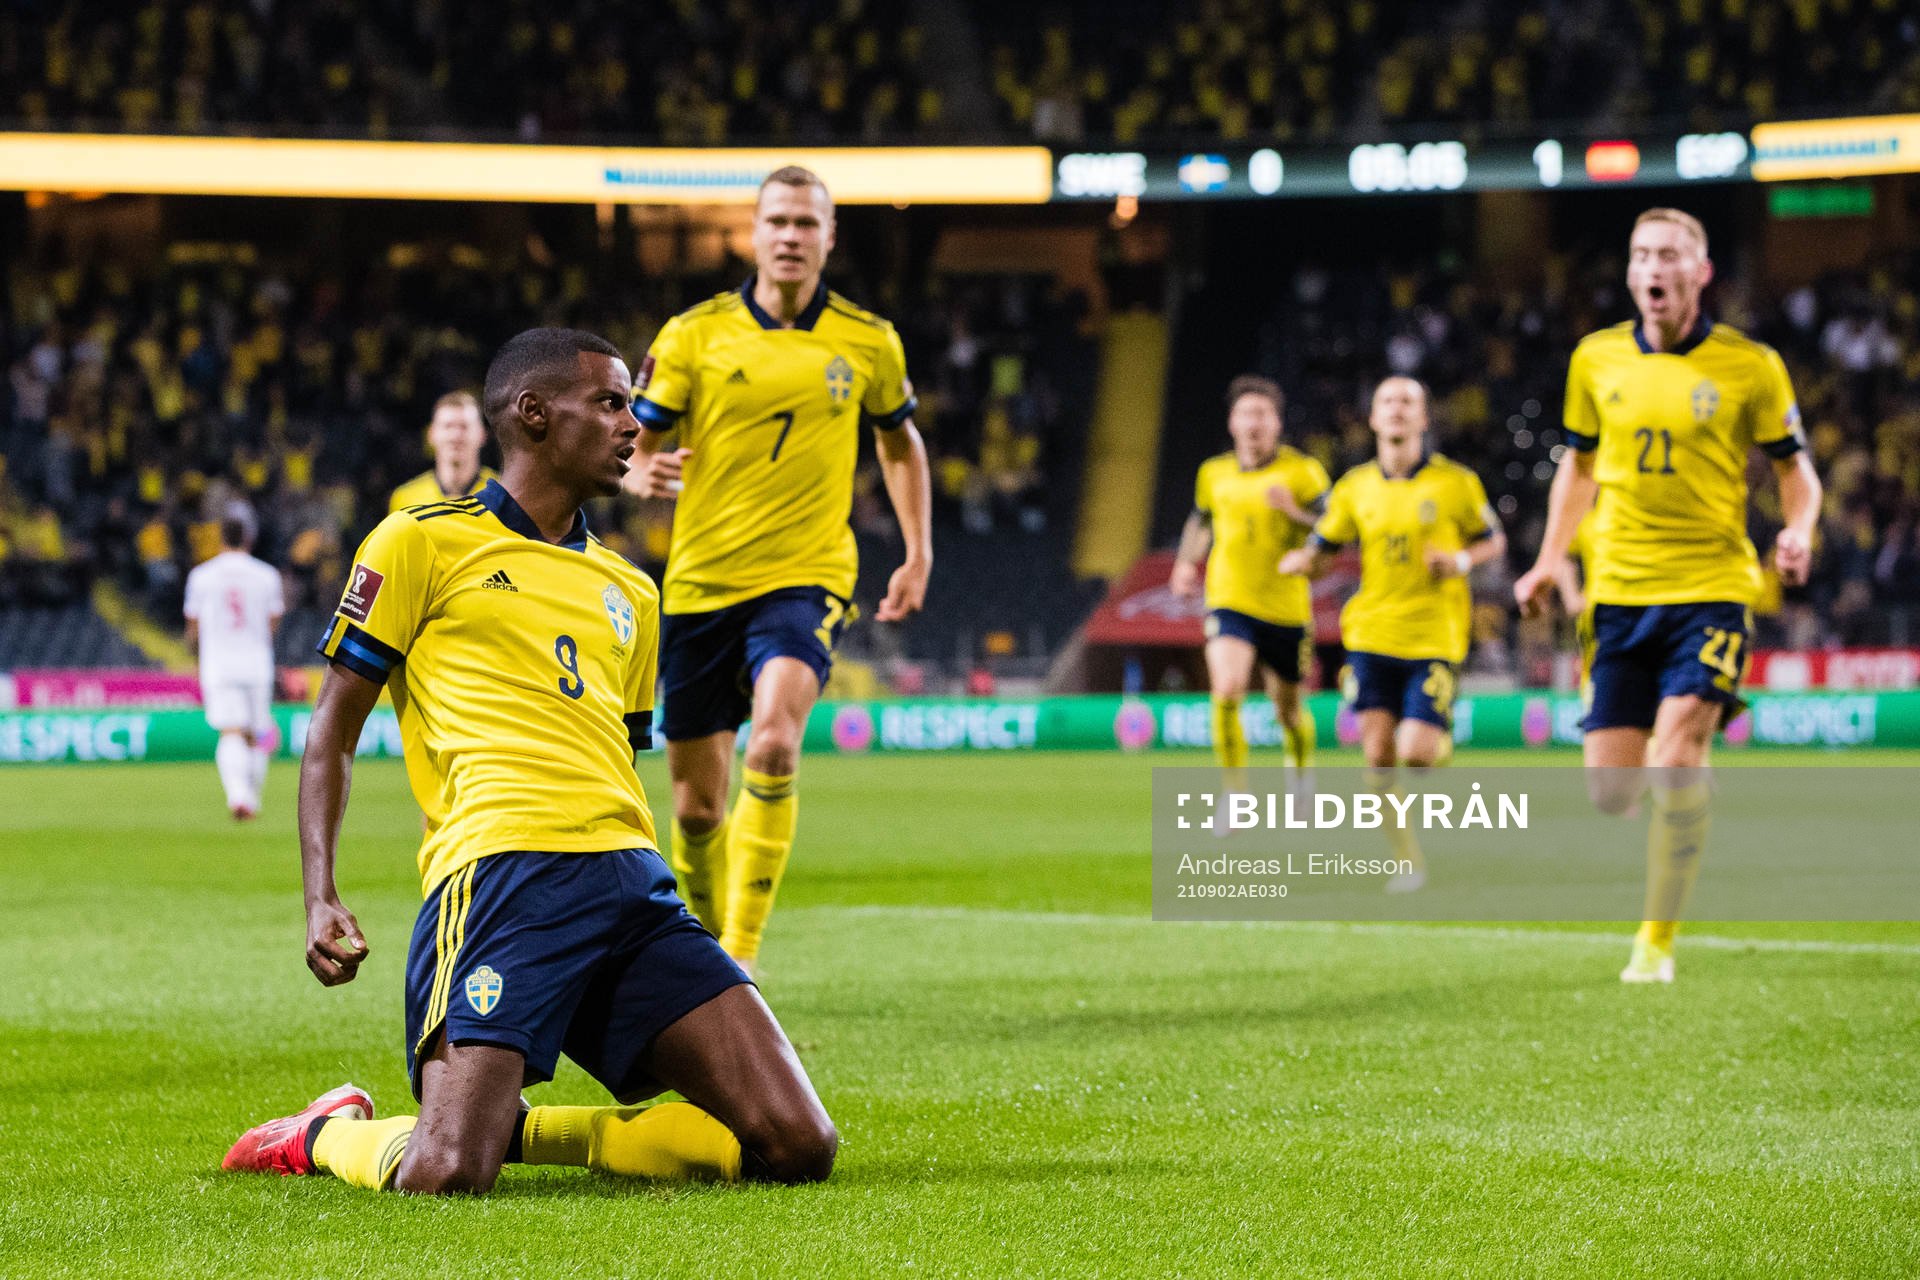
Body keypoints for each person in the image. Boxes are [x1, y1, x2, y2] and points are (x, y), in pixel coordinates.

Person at [223, 328, 836, 1194]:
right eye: (613, 403)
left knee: (797, 1146)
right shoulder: (417, 543)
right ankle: (326, 1133)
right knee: (443, 1176)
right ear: (535, 414)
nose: (635, 425)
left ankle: (519, 1127)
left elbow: (619, 755)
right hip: (505, 877)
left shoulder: (632, 589)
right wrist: (320, 893)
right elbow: (332, 730)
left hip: (631, 884)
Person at [624, 166, 932, 972]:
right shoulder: (693, 334)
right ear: (755, 235)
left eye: (806, 223)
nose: (791, 236)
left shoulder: (870, 340)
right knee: (694, 811)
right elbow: (631, 444)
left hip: (807, 575)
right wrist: (633, 473)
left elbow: (900, 442)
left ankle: (741, 960)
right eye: (778, 222)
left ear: (829, 237)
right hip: (698, 585)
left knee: (773, 745)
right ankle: (705, 940)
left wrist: (918, 549)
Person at [1514, 208, 1822, 984]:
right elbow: (1579, 471)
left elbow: (1795, 471)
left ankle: (1654, 941)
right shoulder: (1595, 360)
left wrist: (1800, 531)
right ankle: (1689, 772)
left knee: (1676, 751)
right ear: (1629, 274)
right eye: (1642, 254)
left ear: (1700, 272)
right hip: (1618, 592)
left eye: (1670, 255)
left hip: (1713, 587)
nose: (1654, 267)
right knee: (1614, 792)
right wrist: (1550, 560)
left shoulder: (1750, 366)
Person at [1280, 376, 1506, 890]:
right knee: (1378, 755)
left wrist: (1462, 560)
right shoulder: (1354, 486)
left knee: (1416, 756)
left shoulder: (1456, 483)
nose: (1397, 410)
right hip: (1370, 634)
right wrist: (1305, 562)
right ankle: (1407, 861)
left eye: (1408, 402)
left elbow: (1493, 540)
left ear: (1424, 419)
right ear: (1374, 418)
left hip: (1433, 636)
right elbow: (1326, 547)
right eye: (1387, 401)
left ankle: (1438, 736)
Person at [1168, 375, 1330, 793]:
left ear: (1277, 423)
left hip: (1286, 607)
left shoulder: (1304, 472)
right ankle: (1234, 792)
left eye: (1262, 414)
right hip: (1229, 599)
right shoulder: (1214, 473)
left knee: (1288, 713)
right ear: (1232, 424)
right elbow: (1201, 519)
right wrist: (1186, 563)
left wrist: (1295, 512)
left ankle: (1300, 773)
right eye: (1245, 414)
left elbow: (1335, 529)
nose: (1253, 423)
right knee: (1226, 688)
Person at [182, 505, 284, 820]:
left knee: (231, 731)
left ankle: (238, 796)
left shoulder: (201, 576)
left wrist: (197, 649)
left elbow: (193, 625)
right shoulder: (267, 574)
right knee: (256, 732)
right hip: (256, 662)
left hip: (220, 664)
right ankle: (251, 796)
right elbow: (273, 620)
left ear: (220, 538)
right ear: (249, 537)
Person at [389, 390, 498, 512]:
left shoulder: (504, 496)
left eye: (464, 426)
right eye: (448, 426)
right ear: (431, 434)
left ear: (482, 435)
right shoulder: (405, 499)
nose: (456, 435)